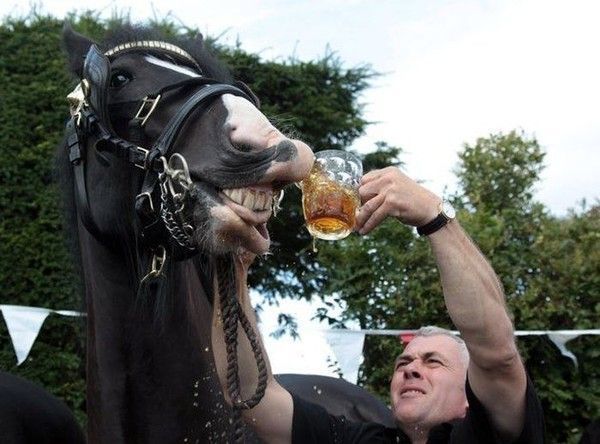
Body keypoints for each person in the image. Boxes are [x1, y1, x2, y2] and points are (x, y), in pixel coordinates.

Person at [211, 166, 546, 443]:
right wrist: (234, 266)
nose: (410, 369)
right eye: (404, 362)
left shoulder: (489, 436)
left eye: (434, 363)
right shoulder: (360, 440)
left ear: (468, 399)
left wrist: (435, 216)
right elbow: (251, 393)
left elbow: (497, 354)